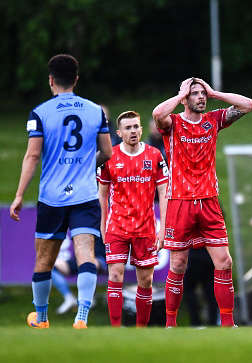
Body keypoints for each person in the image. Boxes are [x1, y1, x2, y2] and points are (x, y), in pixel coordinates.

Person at [9, 54, 112, 329]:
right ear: (76, 79)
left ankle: (42, 319)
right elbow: (107, 151)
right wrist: (84, 166)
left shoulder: (40, 113)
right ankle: (83, 316)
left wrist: (19, 195)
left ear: (51, 80)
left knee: (44, 259)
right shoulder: (95, 111)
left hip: (52, 197)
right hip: (85, 195)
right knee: (85, 254)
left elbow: (32, 156)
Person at [152, 77, 252, 327]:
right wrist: (180, 94)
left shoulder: (213, 120)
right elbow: (157, 114)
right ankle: (170, 324)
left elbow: (247, 104)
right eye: (195, 93)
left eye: (202, 93)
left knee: (224, 262)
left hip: (209, 202)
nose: (200, 97)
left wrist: (214, 92)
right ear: (185, 98)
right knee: (177, 264)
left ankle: (229, 324)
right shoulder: (173, 123)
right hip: (180, 201)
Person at [97, 110, 168, 327]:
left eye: (136, 126)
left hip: (145, 228)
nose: (133, 131)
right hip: (117, 226)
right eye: (128, 128)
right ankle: (116, 328)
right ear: (119, 132)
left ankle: (140, 329)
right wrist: (102, 225)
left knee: (145, 281)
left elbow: (164, 192)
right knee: (116, 276)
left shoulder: (154, 155)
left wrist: (163, 227)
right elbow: (102, 194)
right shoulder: (110, 157)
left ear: (141, 129)